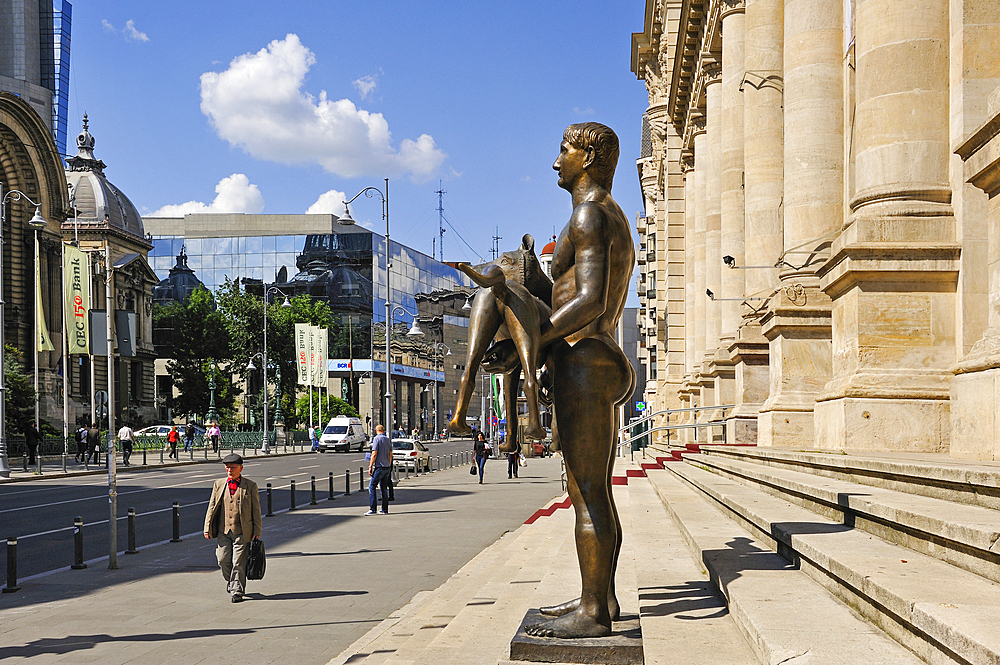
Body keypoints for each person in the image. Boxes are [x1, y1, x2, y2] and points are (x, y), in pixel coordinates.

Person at [488, 123, 634, 638]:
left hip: (584, 362)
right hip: (594, 360)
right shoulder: (606, 215)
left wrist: (536, 338)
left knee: (588, 490)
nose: (556, 161)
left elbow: (590, 300)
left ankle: (593, 614)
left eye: (565, 150)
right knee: (593, 490)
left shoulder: (589, 213)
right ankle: (603, 598)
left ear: (588, 156)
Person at [203, 453, 262, 603]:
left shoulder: (250, 486)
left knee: (238, 562)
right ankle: (232, 581)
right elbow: (212, 507)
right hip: (223, 530)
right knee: (222, 560)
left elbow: (256, 510)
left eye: (233, 467)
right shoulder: (219, 484)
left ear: (241, 468)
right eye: (227, 467)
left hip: (242, 530)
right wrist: (207, 527)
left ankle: (237, 591)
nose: (230, 470)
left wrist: (257, 530)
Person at [366, 424, 392, 515]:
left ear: (376, 431)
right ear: (383, 430)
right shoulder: (388, 439)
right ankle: (384, 509)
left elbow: (374, 453)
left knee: (372, 486)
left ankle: (373, 509)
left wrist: (370, 466)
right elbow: (390, 454)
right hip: (386, 467)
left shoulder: (377, 439)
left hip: (379, 467)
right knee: (384, 488)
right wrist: (388, 464)